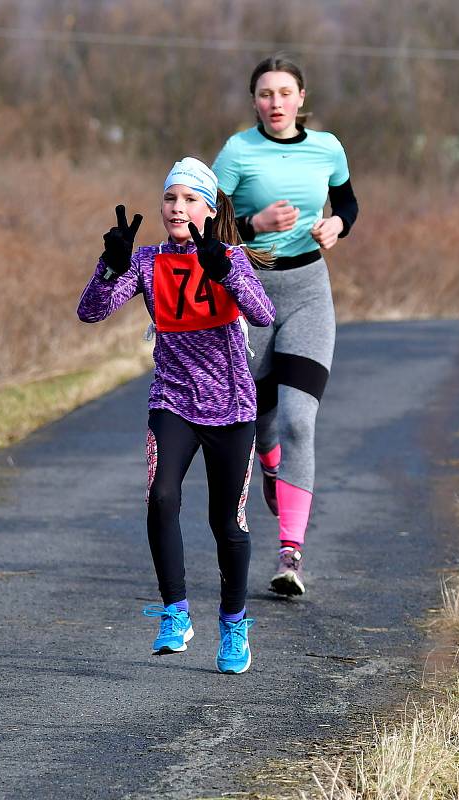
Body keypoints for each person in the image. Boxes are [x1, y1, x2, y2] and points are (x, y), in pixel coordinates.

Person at [77, 157, 275, 674]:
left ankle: (233, 624)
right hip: (173, 401)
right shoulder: (146, 262)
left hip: (231, 408)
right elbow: (91, 311)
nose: (176, 208)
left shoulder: (230, 256)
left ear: (209, 210)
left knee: (225, 523)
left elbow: (262, 313)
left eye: (189, 199)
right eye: (170, 198)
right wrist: (110, 266)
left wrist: (225, 269)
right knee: (161, 496)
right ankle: (175, 613)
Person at [212, 54, 359, 597]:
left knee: (300, 420)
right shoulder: (236, 151)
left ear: (302, 98)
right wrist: (254, 223)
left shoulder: (327, 147)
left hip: (308, 294)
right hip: (248, 295)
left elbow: (346, 199)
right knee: (259, 423)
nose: (275, 103)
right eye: (265, 93)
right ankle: (270, 463)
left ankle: (290, 553)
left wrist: (337, 225)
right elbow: (206, 222)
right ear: (254, 101)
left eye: (285, 92)